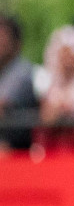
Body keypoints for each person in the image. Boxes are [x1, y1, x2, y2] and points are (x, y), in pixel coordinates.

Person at [34, 24, 74, 153]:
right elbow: (46, 116)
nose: (66, 61)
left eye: (71, 55)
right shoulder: (49, 84)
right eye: (63, 55)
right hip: (52, 149)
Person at [0, 14, 35, 151]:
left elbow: (3, 105)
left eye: (3, 37)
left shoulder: (22, 71)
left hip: (15, 148)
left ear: (16, 43)